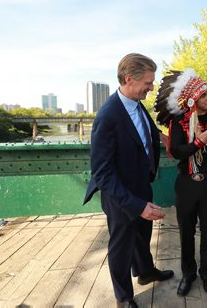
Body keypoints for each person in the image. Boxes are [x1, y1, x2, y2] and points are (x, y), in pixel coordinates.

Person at [84, 53, 174, 308]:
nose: (152, 87)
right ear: (128, 79)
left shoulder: (135, 102)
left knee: (142, 235)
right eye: (148, 82)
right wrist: (137, 206)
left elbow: (139, 126)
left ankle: (145, 272)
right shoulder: (107, 117)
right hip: (120, 194)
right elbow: (102, 173)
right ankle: (123, 297)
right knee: (121, 247)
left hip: (141, 184)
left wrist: (160, 137)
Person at [154, 68, 207, 297]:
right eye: (205, 95)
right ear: (194, 98)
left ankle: (206, 273)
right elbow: (176, 151)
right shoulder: (179, 120)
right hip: (187, 185)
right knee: (186, 232)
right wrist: (198, 143)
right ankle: (188, 273)